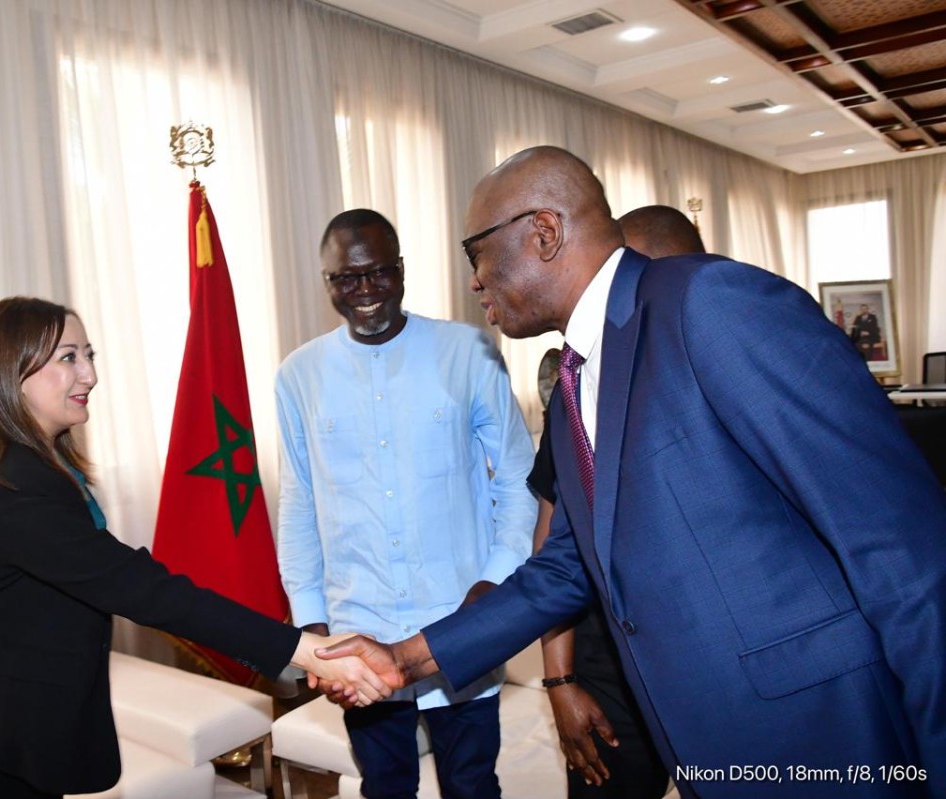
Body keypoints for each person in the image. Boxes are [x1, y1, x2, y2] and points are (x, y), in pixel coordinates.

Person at [319, 147, 946, 799]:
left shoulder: (707, 304)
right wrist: (404, 658)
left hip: (825, 738)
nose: (474, 280)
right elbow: (562, 570)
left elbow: (905, 556)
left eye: (474, 251)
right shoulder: (571, 391)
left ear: (544, 232)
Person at [0, 297, 388, 799]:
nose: (90, 376)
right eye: (68, 357)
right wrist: (310, 652)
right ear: (13, 370)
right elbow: (144, 590)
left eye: (89, 355)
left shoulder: (17, 459)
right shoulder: (14, 483)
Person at [275, 209, 537, 799]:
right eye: (347, 278)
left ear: (400, 271)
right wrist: (310, 624)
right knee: (384, 787)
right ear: (328, 283)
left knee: (472, 786)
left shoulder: (468, 350)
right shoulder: (298, 376)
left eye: (378, 273)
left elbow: (518, 481)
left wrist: (493, 584)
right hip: (356, 633)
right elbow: (298, 504)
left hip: (457, 624)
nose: (365, 290)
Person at [531, 204, 705, 798]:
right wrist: (561, 684)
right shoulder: (575, 391)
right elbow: (552, 547)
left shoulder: (725, 360)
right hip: (609, 674)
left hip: (717, 666)